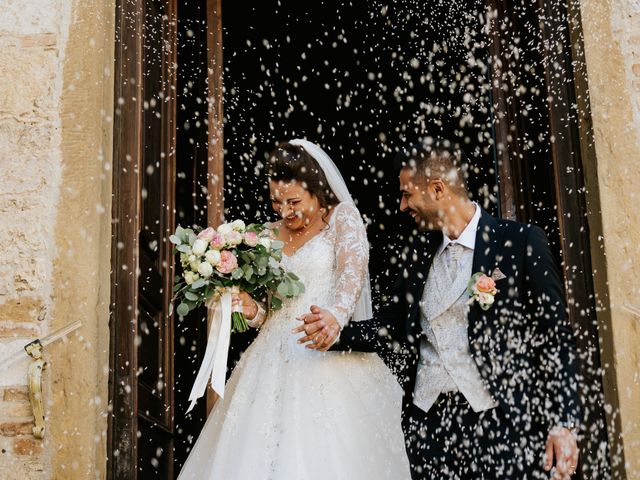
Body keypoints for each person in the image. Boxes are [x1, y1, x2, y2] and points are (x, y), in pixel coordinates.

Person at [296, 139, 582, 479]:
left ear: (437, 188)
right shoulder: (416, 253)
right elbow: (391, 327)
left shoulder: (519, 242)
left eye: (407, 194)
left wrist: (563, 421)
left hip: (501, 422)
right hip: (427, 426)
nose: (402, 206)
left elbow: (554, 338)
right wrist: (334, 331)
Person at [178, 139, 411, 479]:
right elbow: (270, 311)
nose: (285, 211)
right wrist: (251, 308)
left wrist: (335, 315)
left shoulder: (342, 218)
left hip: (323, 347)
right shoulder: (266, 235)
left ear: (318, 193)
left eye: (294, 201)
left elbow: (353, 270)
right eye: (277, 201)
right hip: (270, 356)